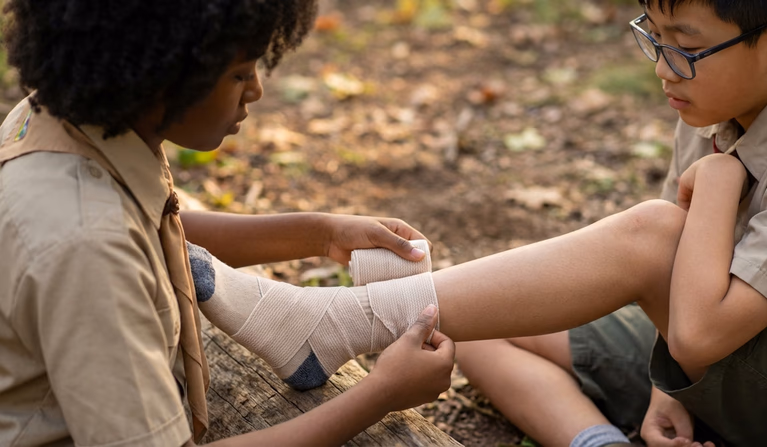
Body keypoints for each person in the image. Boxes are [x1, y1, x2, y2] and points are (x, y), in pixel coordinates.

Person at [0, 1, 455, 446]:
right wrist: (380, 394)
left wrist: (321, 232)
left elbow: (148, 228)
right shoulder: (88, 253)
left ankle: (312, 324)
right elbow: (108, 243)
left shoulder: (52, 120)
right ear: (162, 75)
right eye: (238, 74)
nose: (255, 89)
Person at [454, 1, 767, 446]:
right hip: (708, 344)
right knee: (481, 319)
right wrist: (664, 391)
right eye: (655, 37)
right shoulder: (716, 103)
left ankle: (359, 316)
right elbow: (676, 288)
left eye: (686, 48)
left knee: (653, 235)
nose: (663, 69)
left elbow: (697, 335)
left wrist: (718, 177)